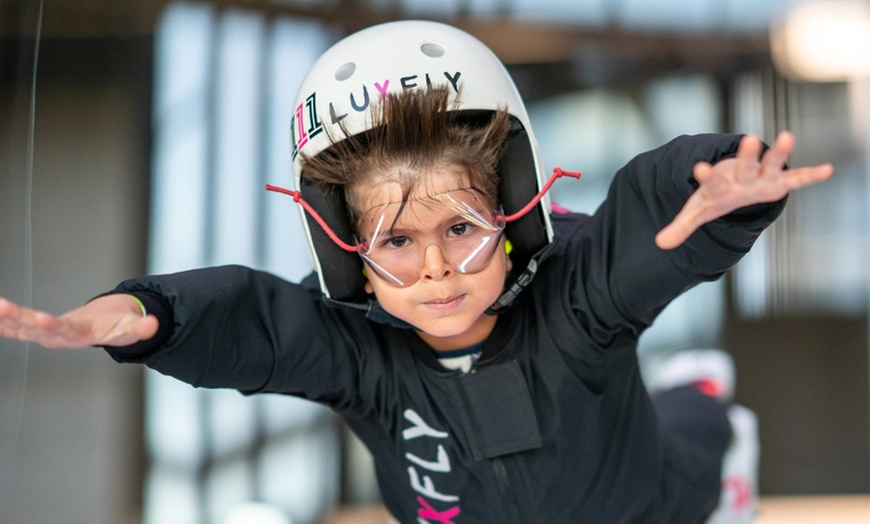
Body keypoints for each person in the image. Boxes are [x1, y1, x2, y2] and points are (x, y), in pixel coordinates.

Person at [0, 20, 833, 524]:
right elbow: (252, 318)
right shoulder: (359, 353)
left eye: (461, 226)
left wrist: (714, 182)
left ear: (513, 210)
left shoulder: (577, 301)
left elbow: (643, 234)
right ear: (348, 250)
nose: (436, 267)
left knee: (699, 428)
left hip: (654, 509)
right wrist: (149, 313)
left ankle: (706, 402)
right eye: (397, 241)